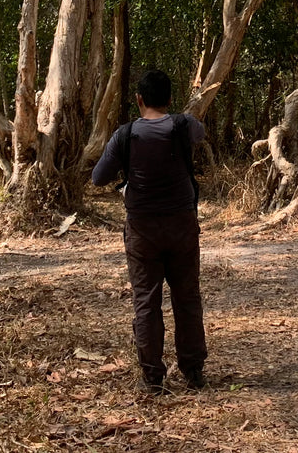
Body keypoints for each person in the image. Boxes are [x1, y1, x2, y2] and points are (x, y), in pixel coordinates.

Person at [91, 69, 207, 394]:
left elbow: (99, 178)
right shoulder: (185, 126)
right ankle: (193, 370)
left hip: (142, 230)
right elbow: (200, 133)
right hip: (183, 225)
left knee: (147, 301)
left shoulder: (125, 135)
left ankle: (153, 377)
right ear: (169, 99)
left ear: (139, 99)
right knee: (187, 297)